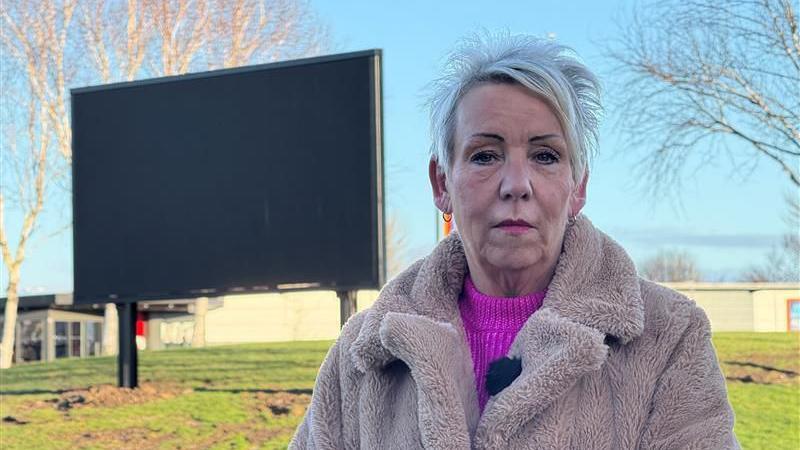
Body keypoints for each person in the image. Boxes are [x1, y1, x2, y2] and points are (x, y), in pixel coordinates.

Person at [290, 33, 739, 449]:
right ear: (441, 182)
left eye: (546, 156)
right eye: (485, 155)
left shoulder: (670, 337)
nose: (517, 184)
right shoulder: (361, 357)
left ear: (577, 186)